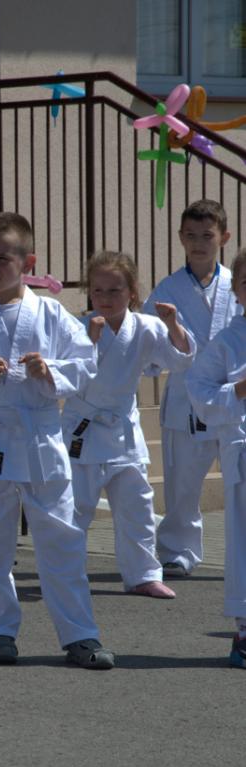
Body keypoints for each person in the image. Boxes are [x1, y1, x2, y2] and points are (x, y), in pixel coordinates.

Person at [0, 212, 114, 668]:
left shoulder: (51, 313)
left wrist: (48, 371)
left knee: (61, 540)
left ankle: (80, 635)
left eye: (3, 259)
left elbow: (85, 362)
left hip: (39, 440)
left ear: (27, 262)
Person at [61, 250, 194, 599]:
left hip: (122, 429)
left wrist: (173, 325)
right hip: (83, 428)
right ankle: (64, 572)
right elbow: (67, 377)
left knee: (137, 505)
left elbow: (179, 360)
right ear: (89, 292)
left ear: (132, 292)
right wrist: (89, 342)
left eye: (115, 290)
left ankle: (143, 575)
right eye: (98, 290)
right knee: (74, 507)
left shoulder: (147, 326)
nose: (105, 298)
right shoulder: (77, 326)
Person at [143, 199, 238, 578]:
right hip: (187, 400)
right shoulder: (167, 289)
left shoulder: (236, 285)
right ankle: (178, 550)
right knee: (182, 483)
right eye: (191, 235)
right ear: (181, 237)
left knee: (240, 480)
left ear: (224, 238)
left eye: (207, 236)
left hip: (233, 397)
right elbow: (150, 347)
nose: (199, 243)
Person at [185, 248, 246, 667]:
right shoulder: (227, 341)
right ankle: (243, 631)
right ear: (235, 290)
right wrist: (239, 389)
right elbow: (200, 393)